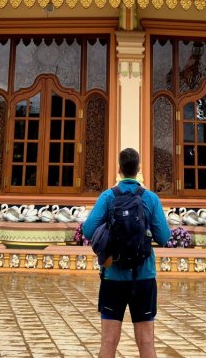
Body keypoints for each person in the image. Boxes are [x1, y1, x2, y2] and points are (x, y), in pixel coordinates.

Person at [81, 148, 170, 358]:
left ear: (119, 170)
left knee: (109, 342)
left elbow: (87, 231)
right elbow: (164, 237)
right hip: (144, 277)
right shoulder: (150, 199)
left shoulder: (108, 196)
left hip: (113, 275)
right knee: (146, 342)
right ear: (138, 169)